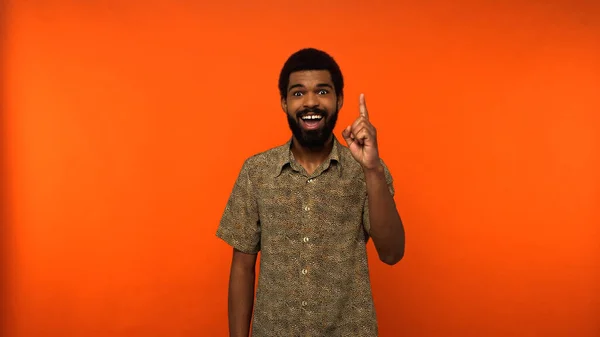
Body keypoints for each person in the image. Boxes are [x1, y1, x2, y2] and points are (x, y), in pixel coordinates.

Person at [216, 47, 405, 337]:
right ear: (283, 102)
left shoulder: (366, 171)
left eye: (322, 91)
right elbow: (242, 267)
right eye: (298, 93)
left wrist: (372, 170)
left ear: (339, 99)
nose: (310, 102)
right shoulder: (257, 171)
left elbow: (392, 253)